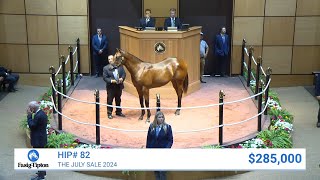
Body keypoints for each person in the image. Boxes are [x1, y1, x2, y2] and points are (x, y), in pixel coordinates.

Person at [146, 111, 173, 180]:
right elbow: (148, 139)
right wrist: (148, 151)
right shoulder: (151, 127)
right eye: (159, 117)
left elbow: (170, 140)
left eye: (162, 117)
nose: (161, 119)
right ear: (156, 118)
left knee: (162, 172)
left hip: (163, 153)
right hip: (154, 153)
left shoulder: (167, 127)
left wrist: (166, 150)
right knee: (156, 172)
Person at [27, 101, 48, 180]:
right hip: (40, 138)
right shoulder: (41, 113)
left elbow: (32, 125)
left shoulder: (39, 115)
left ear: (32, 108)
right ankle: (42, 172)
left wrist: (29, 116)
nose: (28, 109)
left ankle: (41, 176)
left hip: (38, 140)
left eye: (29, 108)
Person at [103, 55, 126, 119]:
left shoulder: (120, 66)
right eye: (109, 59)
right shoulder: (106, 68)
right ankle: (109, 113)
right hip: (111, 87)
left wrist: (122, 78)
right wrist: (111, 81)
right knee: (110, 100)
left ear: (114, 59)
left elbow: (124, 74)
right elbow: (105, 78)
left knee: (118, 99)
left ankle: (118, 112)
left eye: (111, 59)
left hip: (119, 86)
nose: (110, 60)